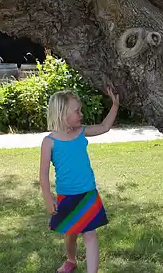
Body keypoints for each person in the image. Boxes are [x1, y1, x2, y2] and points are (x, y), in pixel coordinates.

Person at [39, 87, 120, 273]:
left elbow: (104, 127)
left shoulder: (81, 132)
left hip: (87, 193)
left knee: (90, 234)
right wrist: (48, 198)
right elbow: (43, 174)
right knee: (71, 233)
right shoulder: (49, 142)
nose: (81, 114)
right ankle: (71, 259)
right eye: (77, 111)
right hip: (66, 195)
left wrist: (115, 105)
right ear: (62, 113)